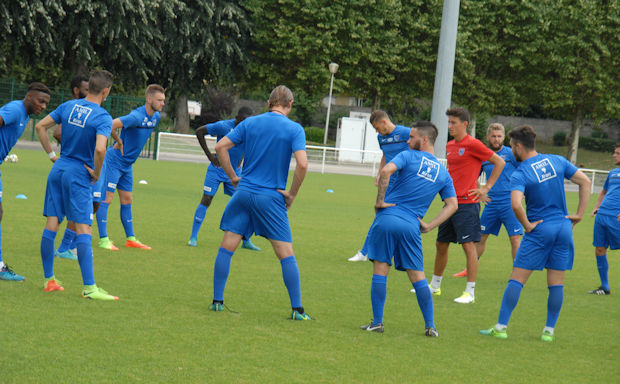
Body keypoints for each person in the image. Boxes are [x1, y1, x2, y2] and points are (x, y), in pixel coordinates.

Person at [480, 125, 590, 341]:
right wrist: (579, 214)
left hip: (541, 228)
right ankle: (549, 332)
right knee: (556, 282)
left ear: (518, 146)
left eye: (511, 146)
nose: (511, 150)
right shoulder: (556, 160)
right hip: (563, 227)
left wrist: (527, 225)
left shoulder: (521, 172)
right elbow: (585, 181)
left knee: (517, 279)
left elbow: (515, 204)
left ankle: (501, 327)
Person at [210, 85, 311, 320]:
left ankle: (217, 301)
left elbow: (220, 146)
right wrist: (292, 194)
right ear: (290, 104)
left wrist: (233, 176)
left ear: (268, 103)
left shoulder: (250, 123)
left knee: (227, 246)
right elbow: (303, 164)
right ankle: (297, 309)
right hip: (271, 196)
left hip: (243, 192)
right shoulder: (294, 129)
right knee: (285, 253)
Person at [360, 122, 457, 336]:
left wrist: (380, 201)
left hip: (388, 218)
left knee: (380, 270)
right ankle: (430, 326)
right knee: (418, 276)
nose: (407, 140)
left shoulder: (408, 156)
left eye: (411, 137)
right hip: (411, 225)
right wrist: (430, 225)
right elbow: (453, 204)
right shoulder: (442, 172)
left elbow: (386, 171)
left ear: (424, 140)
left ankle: (377, 322)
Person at [35, 69, 119, 300]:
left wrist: (52, 155)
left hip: (59, 168)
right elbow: (101, 149)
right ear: (105, 91)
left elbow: (41, 127)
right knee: (84, 228)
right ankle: (90, 287)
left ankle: (49, 279)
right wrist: (97, 172)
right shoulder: (102, 116)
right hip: (79, 173)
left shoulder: (69, 105)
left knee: (52, 223)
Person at [430, 108, 505, 304]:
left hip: (467, 204)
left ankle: (469, 292)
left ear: (465, 124)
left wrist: (486, 187)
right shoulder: (449, 145)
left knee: (468, 246)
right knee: (441, 244)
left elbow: (499, 162)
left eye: (453, 123)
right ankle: (435, 287)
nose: (450, 126)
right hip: (450, 203)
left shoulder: (473, 144)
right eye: (449, 123)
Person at [95, 84, 165, 251]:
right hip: (114, 161)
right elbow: (109, 124)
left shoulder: (156, 117)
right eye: (159, 100)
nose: (163, 103)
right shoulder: (135, 116)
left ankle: (130, 238)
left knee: (127, 200)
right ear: (149, 99)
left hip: (127, 165)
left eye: (163, 100)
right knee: (107, 199)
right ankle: (103, 239)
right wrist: (118, 142)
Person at [453, 123, 523, 277]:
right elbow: (474, 175)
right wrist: (481, 193)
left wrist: (521, 191)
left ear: (504, 137)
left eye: (499, 136)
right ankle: (469, 269)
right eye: (493, 136)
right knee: (480, 238)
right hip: (491, 204)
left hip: (509, 203)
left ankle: (517, 273)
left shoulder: (512, 154)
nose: (496, 139)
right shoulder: (483, 155)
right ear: (487, 137)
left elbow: (524, 171)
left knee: (515, 238)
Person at [187, 107, 260, 251]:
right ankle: (193, 237)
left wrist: (241, 163)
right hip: (216, 170)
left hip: (234, 173)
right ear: (237, 118)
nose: (246, 124)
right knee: (206, 199)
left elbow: (248, 149)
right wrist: (209, 155)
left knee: (245, 204)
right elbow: (199, 131)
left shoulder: (250, 131)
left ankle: (246, 240)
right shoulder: (223, 126)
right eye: (243, 121)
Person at [0, 82, 51, 281]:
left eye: (47, 103)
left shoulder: (25, 115)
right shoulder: (15, 109)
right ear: (29, 97)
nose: (44, 106)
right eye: (41, 101)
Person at [348, 110, 412, 262]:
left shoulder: (406, 133)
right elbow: (385, 155)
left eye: (377, 128)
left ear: (384, 122)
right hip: (389, 184)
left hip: (405, 185)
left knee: (404, 219)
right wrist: (379, 173)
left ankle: (397, 254)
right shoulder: (381, 138)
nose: (377, 131)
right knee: (380, 217)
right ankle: (364, 252)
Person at [53, 75, 91, 261]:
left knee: (91, 205)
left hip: (78, 166)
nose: (89, 92)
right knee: (77, 208)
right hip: (77, 167)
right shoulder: (73, 108)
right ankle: (66, 247)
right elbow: (57, 132)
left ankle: (71, 245)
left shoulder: (88, 109)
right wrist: (74, 146)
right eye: (86, 88)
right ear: (77, 90)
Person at [588, 142, 620, 295]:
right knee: (600, 249)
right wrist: (597, 206)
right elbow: (603, 192)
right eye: (615, 152)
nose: (614, 155)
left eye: (617, 153)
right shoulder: (613, 172)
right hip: (602, 216)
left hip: (617, 218)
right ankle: (604, 287)